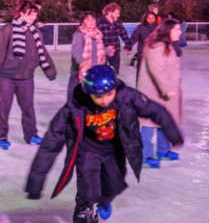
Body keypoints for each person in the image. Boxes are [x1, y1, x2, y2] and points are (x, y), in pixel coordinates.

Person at [26, 65, 182, 223]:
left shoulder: (126, 96)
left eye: (109, 94)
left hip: (113, 151)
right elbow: (50, 143)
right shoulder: (75, 107)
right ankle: (86, 212)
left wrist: (172, 132)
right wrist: (35, 182)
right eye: (98, 96)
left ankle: (103, 201)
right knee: (88, 193)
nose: (104, 100)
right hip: (87, 152)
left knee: (115, 185)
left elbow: (154, 110)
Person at [0, 0, 57, 149]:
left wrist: (50, 70)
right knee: (2, 108)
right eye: (31, 14)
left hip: (26, 76)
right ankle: (1, 136)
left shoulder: (36, 32)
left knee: (28, 107)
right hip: (6, 76)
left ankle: (31, 134)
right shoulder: (8, 29)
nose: (34, 17)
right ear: (22, 13)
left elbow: (42, 52)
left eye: (35, 15)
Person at [136, 18, 184, 168]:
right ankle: (146, 154)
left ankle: (163, 150)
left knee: (165, 122)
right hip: (153, 93)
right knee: (149, 124)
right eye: (176, 29)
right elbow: (157, 70)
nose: (180, 32)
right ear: (168, 31)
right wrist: (167, 89)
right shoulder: (156, 47)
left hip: (165, 93)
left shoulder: (167, 46)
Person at [70, 12, 107, 99]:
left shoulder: (97, 34)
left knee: (95, 95)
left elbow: (98, 48)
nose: (91, 22)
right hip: (84, 69)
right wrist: (82, 61)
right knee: (82, 95)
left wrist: (108, 51)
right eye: (87, 19)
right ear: (82, 22)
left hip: (96, 68)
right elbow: (76, 50)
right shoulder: (79, 34)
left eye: (93, 19)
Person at [125, 12, 158, 84]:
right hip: (142, 53)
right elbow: (133, 38)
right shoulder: (140, 27)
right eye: (149, 18)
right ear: (145, 18)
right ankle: (139, 88)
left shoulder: (159, 28)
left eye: (153, 18)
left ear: (155, 18)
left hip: (155, 53)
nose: (151, 20)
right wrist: (128, 47)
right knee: (141, 72)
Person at [96, 4, 127, 74]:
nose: (119, 15)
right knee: (101, 73)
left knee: (115, 73)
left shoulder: (118, 22)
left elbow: (123, 33)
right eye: (117, 13)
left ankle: (114, 84)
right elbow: (95, 39)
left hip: (115, 51)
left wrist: (128, 45)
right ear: (109, 12)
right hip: (102, 52)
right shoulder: (99, 22)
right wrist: (105, 48)